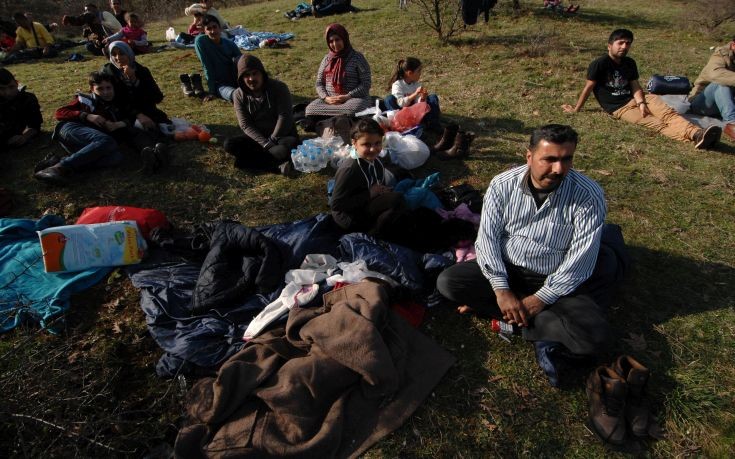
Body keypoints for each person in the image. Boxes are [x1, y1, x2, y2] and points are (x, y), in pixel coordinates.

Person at [436, 124, 626, 387]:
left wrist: (541, 299)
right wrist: (501, 290)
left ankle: (515, 319)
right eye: (549, 159)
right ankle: (529, 319)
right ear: (529, 156)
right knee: (448, 283)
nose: (558, 169)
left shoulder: (588, 195)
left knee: (595, 337)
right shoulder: (502, 185)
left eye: (566, 159)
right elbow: (488, 239)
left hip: (554, 279)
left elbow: (580, 261)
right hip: (509, 268)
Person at [562, 28, 722, 149]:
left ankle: (697, 134)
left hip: (639, 98)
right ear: (609, 45)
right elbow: (588, 87)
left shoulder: (629, 63)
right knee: (657, 124)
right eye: (620, 43)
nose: (624, 47)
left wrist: (641, 103)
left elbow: (635, 85)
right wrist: (577, 108)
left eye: (628, 43)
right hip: (619, 108)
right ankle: (696, 139)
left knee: (668, 114)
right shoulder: (599, 64)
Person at [34, 72, 164, 185]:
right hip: (71, 129)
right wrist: (87, 115)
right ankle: (58, 168)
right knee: (107, 141)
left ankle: (59, 162)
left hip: (90, 144)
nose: (106, 92)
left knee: (116, 157)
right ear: (92, 89)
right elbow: (60, 112)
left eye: (108, 88)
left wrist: (119, 124)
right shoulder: (86, 100)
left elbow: (131, 122)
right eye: (100, 89)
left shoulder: (117, 105)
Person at [224, 54, 300, 176]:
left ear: (262, 74)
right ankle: (277, 166)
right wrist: (266, 144)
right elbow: (245, 124)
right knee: (230, 144)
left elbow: (284, 117)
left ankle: (252, 162)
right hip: (259, 138)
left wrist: (273, 140)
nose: (251, 78)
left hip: (281, 136)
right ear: (241, 78)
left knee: (290, 145)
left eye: (255, 73)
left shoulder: (279, 88)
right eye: (247, 75)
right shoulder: (238, 95)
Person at [330, 119, 405, 237]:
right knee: (396, 203)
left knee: (398, 202)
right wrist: (370, 194)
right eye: (366, 144)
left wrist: (381, 190)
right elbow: (336, 205)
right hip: (349, 217)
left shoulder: (376, 160)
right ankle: (373, 233)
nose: (373, 149)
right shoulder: (350, 170)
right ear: (354, 143)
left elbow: (376, 183)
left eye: (377, 143)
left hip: (365, 203)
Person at [303, 23, 372, 125]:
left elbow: (366, 83)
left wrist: (348, 96)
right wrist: (326, 98)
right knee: (310, 110)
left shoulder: (357, 58)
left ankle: (331, 122)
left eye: (337, 40)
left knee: (354, 109)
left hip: (353, 100)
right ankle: (338, 121)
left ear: (344, 38)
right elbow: (319, 83)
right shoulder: (327, 59)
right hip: (330, 102)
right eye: (331, 41)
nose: (334, 44)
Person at [101, 41, 170, 130]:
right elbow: (116, 100)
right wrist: (137, 114)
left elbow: (157, 97)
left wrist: (134, 79)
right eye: (114, 54)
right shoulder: (107, 74)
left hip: (146, 111)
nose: (118, 58)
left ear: (129, 54)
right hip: (121, 114)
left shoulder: (142, 71)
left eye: (122, 54)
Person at [688, 36, 735, 141]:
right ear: (733, 45)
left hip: (727, 103)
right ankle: (732, 123)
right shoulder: (720, 55)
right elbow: (716, 75)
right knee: (721, 84)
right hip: (702, 102)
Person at [384, 56, 441, 130]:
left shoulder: (417, 85)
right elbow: (401, 103)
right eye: (419, 71)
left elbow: (418, 105)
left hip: (414, 114)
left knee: (433, 97)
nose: (420, 73)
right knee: (389, 99)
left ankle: (432, 124)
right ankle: (397, 124)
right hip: (402, 113)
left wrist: (423, 98)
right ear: (410, 73)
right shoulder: (397, 85)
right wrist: (415, 94)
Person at [194, 14, 241, 102]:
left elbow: (243, 61)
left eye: (215, 27)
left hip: (235, 79)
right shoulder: (201, 42)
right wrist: (211, 91)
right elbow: (207, 66)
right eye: (208, 29)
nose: (213, 31)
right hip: (220, 84)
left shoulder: (229, 44)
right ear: (204, 31)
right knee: (235, 95)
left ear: (220, 28)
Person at [0, 68, 41, 149]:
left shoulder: (27, 99)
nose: (8, 93)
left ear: (17, 83)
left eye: (11, 87)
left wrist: (25, 137)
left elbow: (35, 125)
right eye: (2, 89)